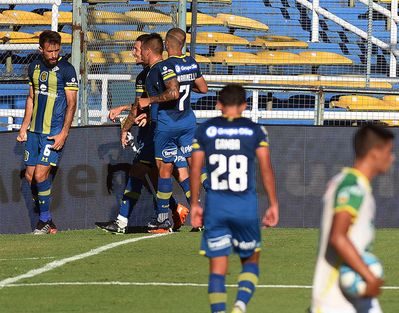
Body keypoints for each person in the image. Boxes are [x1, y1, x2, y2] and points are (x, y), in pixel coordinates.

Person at [189, 84, 279, 313]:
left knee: (217, 270)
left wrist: (194, 204)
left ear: (218, 105)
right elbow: (266, 168)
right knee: (250, 261)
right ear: (245, 106)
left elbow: (196, 168)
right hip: (245, 208)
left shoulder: (205, 130)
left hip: (216, 208)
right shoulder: (255, 130)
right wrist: (273, 203)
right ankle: (240, 305)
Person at [95, 34, 189, 234]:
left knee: (180, 175)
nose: (133, 53)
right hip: (158, 130)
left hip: (166, 130)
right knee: (147, 173)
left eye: (136, 49)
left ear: (147, 50)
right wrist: (128, 110)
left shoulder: (161, 70)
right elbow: (142, 105)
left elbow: (164, 98)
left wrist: (126, 127)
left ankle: (184, 216)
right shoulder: (145, 75)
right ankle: (167, 214)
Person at [310, 125, 393, 313]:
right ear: (374, 153)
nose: (392, 158)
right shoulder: (352, 187)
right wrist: (369, 276)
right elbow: (338, 236)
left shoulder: (351, 183)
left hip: (355, 299)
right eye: (389, 152)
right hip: (335, 303)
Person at [139, 30, 208, 232]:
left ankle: (162, 219)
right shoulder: (191, 62)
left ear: (167, 44)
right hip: (188, 121)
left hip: (168, 122)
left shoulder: (165, 65)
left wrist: (149, 100)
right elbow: (203, 89)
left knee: (165, 170)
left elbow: (173, 92)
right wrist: (187, 84)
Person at [17, 30, 78, 235]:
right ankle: (48, 220)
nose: (53, 55)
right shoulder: (34, 67)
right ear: (41, 49)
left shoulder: (67, 70)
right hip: (34, 131)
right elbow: (31, 98)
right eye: (49, 51)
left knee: (41, 175)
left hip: (53, 133)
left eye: (57, 50)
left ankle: (43, 222)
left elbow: (72, 104)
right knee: (30, 176)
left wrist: (63, 133)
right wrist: (24, 126)